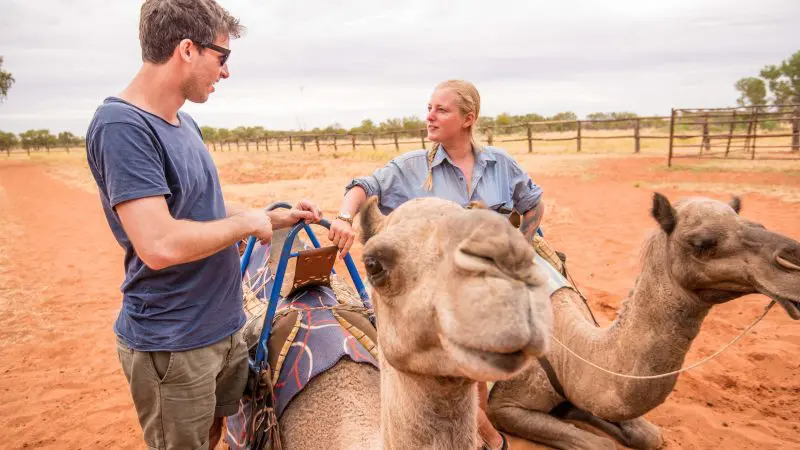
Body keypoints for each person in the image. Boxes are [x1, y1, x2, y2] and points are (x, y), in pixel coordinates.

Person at [84, 1, 321, 449]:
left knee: (213, 435)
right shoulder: (122, 126)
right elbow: (159, 243)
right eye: (222, 57)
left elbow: (200, 209)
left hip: (221, 325)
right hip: (174, 342)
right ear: (187, 49)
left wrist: (270, 219)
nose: (226, 72)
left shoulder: (183, 122)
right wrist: (246, 223)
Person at [328, 79, 545, 450]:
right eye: (429, 107)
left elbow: (534, 205)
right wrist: (344, 217)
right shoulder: (411, 168)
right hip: (432, 291)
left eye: (441, 109)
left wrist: (519, 246)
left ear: (468, 119)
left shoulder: (500, 166)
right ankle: (489, 438)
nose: (429, 116)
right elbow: (363, 187)